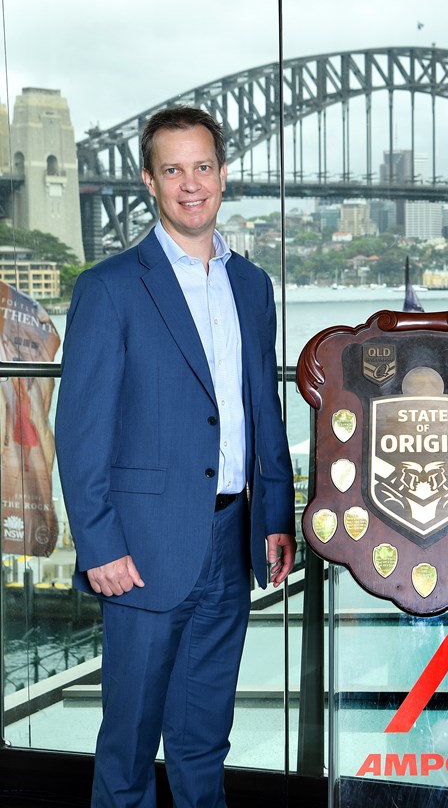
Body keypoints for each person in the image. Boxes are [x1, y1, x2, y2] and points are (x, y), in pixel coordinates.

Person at [55, 106, 297, 807]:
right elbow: (81, 432)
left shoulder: (252, 286)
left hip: (230, 542)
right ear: (148, 182)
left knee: (203, 740)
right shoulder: (109, 287)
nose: (191, 185)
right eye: (173, 170)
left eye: (203, 167)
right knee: (128, 745)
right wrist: (98, 545)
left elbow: (262, 411)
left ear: (223, 175)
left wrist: (273, 516)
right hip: (141, 550)